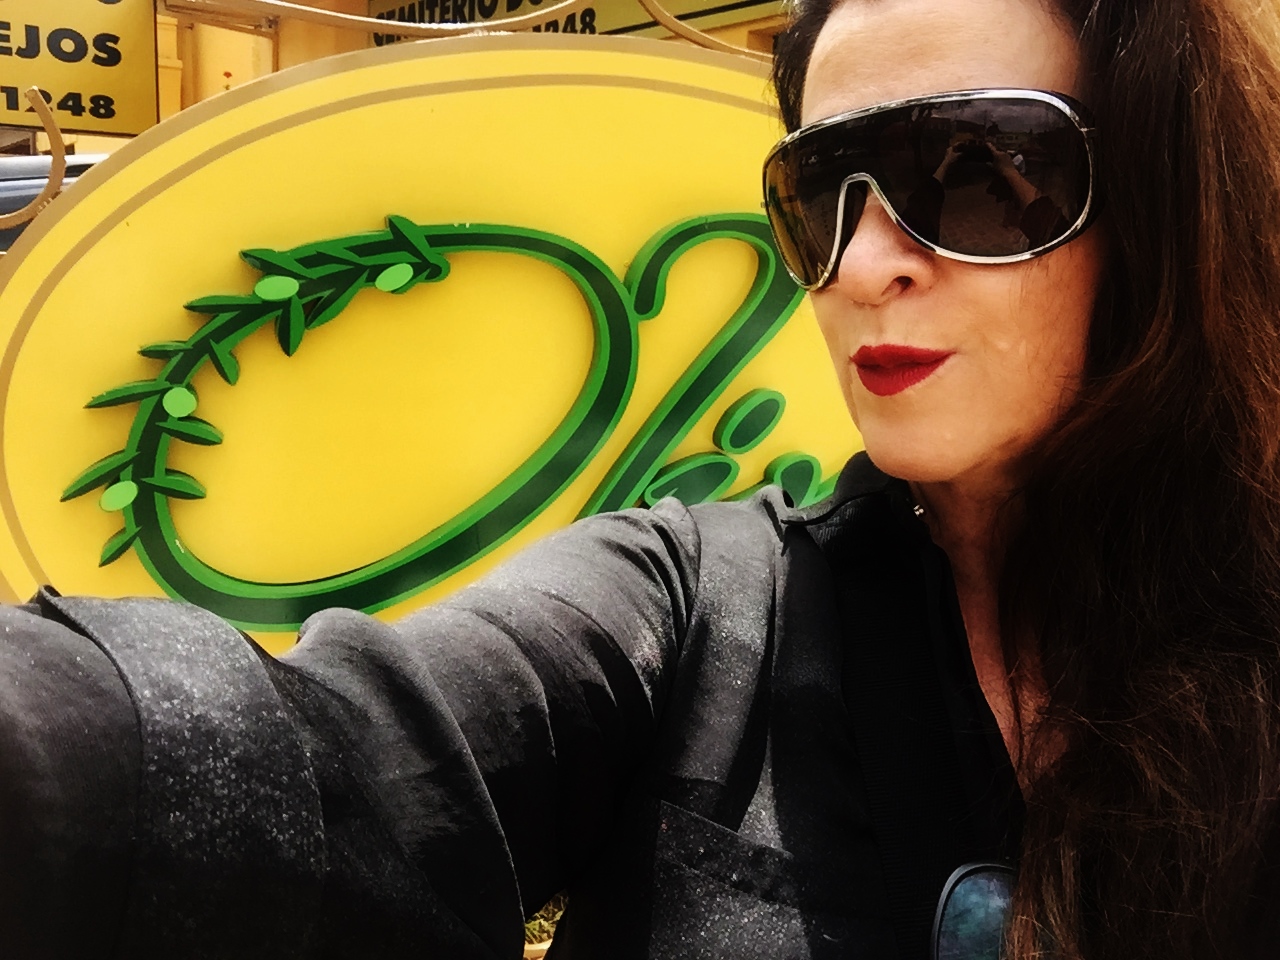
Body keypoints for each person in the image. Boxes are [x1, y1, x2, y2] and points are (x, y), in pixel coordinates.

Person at [3, 0, 1280, 958]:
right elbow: (340, 754)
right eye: (819, 192)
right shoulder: (698, 600)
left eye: (979, 173)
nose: (859, 265)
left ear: (1166, 200)